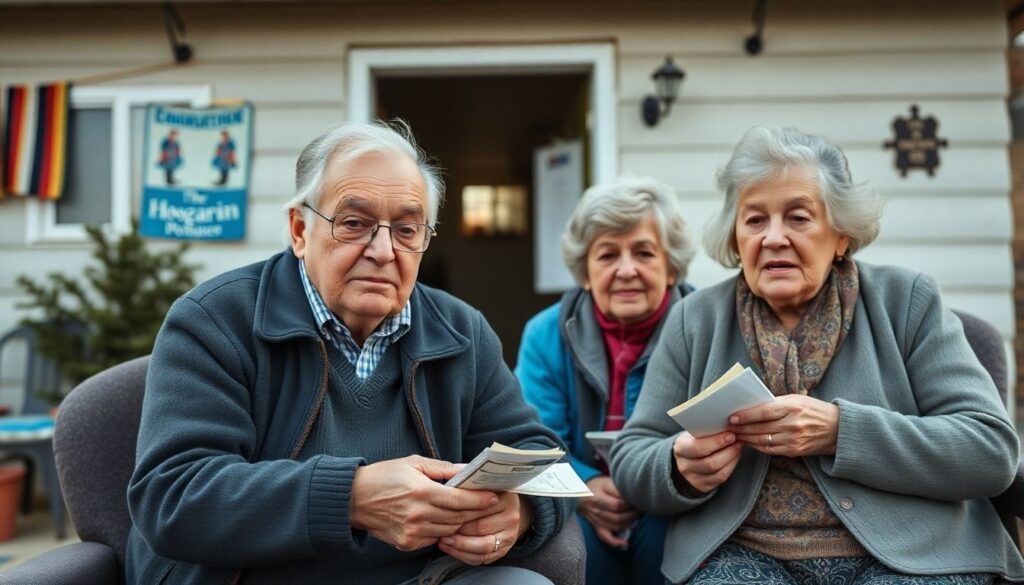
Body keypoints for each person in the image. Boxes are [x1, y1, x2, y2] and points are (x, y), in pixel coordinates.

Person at [127, 120, 571, 585]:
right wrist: (352, 497)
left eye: (406, 230)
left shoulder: (462, 331)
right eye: (354, 223)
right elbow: (172, 497)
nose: (383, 250)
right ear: (299, 230)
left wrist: (518, 513)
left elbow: (544, 459)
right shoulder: (214, 320)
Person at [611, 126, 1024, 585]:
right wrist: (679, 466)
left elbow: (990, 451)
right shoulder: (694, 320)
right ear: (735, 238)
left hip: (914, 555)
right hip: (743, 557)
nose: (773, 238)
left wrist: (840, 432)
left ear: (842, 234)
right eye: (754, 220)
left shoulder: (907, 301)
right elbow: (632, 457)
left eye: (798, 217)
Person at [516, 177, 695, 585]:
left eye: (644, 253)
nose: (626, 269)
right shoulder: (545, 334)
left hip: (673, 498)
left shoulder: (703, 327)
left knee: (671, 544)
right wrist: (585, 486)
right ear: (585, 271)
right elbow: (531, 439)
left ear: (670, 267)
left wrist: (656, 484)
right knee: (576, 553)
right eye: (608, 254)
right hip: (577, 498)